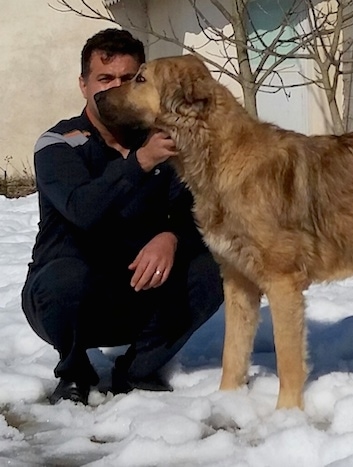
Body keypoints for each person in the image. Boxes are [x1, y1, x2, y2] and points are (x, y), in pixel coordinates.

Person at [21, 28, 224, 405]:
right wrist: (139, 163)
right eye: (105, 78)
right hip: (67, 298)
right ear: (83, 85)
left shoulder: (161, 139)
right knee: (66, 278)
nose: (117, 87)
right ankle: (74, 371)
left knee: (215, 266)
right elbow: (83, 210)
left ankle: (139, 368)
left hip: (137, 287)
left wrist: (172, 237)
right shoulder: (59, 144)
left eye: (128, 79)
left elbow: (197, 209)